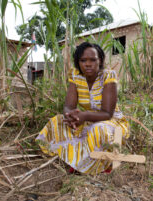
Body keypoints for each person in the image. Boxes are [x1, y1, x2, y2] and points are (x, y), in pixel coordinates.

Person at [36, 42, 129, 175]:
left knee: (98, 130)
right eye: (83, 60)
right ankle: (78, 158)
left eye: (93, 60)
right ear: (78, 62)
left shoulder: (108, 76)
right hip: (86, 120)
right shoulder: (76, 75)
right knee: (57, 122)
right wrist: (71, 116)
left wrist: (84, 116)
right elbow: (68, 106)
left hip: (112, 122)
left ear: (100, 60)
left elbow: (107, 113)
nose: (88, 64)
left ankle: (96, 164)